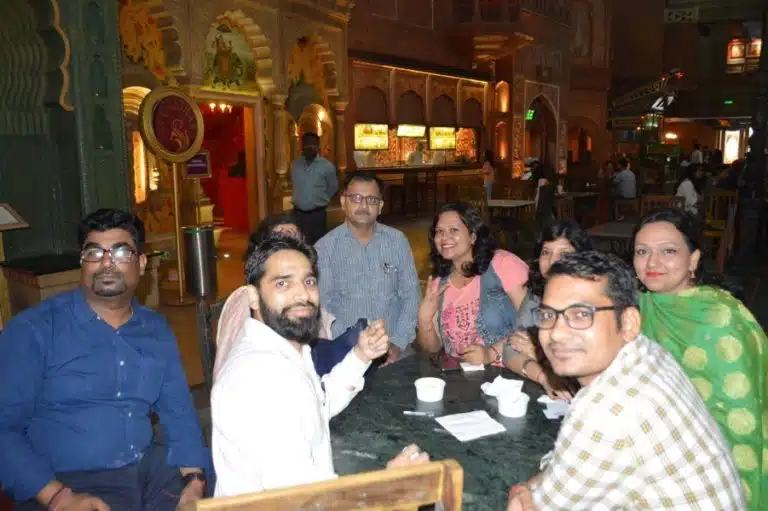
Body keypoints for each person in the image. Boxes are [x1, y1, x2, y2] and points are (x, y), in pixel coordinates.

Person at [0, 209, 208, 511]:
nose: (107, 263)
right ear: (82, 263)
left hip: (148, 472)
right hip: (66, 484)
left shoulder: (155, 329)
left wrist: (194, 481)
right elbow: (4, 428)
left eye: (121, 252)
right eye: (94, 252)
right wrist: (58, 497)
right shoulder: (35, 330)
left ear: (141, 263)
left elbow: (179, 412)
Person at [507, 251, 745, 510]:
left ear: (629, 322)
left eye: (581, 314)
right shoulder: (647, 353)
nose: (556, 333)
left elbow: (537, 504)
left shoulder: (607, 406)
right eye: (548, 315)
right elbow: (569, 467)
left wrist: (523, 489)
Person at [211, 235, 428, 496]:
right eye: (282, 283)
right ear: (253, 297)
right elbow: (304, 499)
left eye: (309, 281)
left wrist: (360, 355)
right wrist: (387, 485)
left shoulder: (285, 351)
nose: (302, 294)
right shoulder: (257, 378)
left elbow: (317, 407)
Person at [633, 209, 767, 509]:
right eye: (642, 252)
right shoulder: (642, 306)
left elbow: (739, 419)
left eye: (668, 251)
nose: (652, 263)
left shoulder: (719, 319)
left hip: (713, 463)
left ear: (693, 260)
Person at [316, 172, 420, 365]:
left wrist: (398, 343)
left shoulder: (397, 241)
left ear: (380, 206)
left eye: (371, 200)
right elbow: (324, 307)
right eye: (356, 198)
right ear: (343, 202)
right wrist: (356, 351)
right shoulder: (325, 249)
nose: (363, 206)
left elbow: (411, 295)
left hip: (395, 348)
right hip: (346, 352)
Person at [417, 202, 528, 367]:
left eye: (454, 230)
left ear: (473, 236)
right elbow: (433, 349)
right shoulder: (438, 284)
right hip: (461, 375)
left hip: (506, 370)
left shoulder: (503, 264)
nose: (444, 237)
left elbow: (534, 322)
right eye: (439, 231)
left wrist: (491, 354)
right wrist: (424, 320)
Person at [503, 220, 594, 401]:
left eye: (564, 253)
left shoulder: (595, 300)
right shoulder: (536, 296)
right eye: (546, 252)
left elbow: (591, 362)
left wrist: (541, 354)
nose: (552, 261)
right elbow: (509, 350)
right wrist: (544, 376)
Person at [290, 131, 338, 243]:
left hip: (317, 216)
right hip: (297, 215)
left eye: (313, 144)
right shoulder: (295, 164)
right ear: (302, 146)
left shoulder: (327, 166)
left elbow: (333, 188)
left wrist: (319, 199)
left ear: (318, 146)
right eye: (306, 144)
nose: (309, 147)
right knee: (297, 244)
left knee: (318, 245)